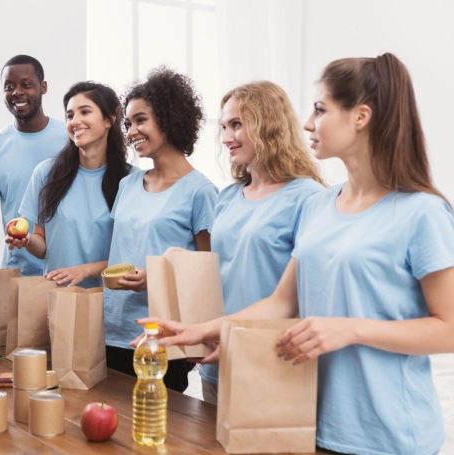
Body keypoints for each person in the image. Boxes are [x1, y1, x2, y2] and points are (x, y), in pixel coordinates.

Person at [139, 54, 454, 454]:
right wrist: (200, 330)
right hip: (308, 418)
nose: (306, 123)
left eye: (320, 110)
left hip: (386, 434)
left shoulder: (422, 212)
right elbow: (280, 302)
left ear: (361, 116)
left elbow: (449, 328)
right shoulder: (322, 206)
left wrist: (350, 328)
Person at [197, 81, 324, 404]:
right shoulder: (226, 197)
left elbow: (306, 293)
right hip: (218, 356)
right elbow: (222, 270)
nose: (226, 137)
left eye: (237, 125)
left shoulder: (308, 198)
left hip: (271, 360)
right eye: (224, 126)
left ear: (269, 125)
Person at [105, 67, 218, 392]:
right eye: (128, 123)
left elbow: (206, 274)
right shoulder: (128, 185)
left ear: (168, 119)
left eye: (141, 120)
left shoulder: (200, 192)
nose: (131, 131)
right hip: (111, 331)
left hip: (161, 337)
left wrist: (155, 278)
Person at [9, 81, 131, 288]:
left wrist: (84, 270)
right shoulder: (46, 173)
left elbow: (130, 256)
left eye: (85, 112)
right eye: (70, 115)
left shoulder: (131, 181)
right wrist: (27, 241)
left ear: (109, 119)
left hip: (110, 302)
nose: (75, 121)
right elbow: (43, 246)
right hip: (59, 299)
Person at [0, 54, 67, 275]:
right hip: (17, 273)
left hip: (68, 270)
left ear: (43, 87)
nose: (17, 92)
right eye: (9, 86)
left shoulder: (70, 139)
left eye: (26, 85)